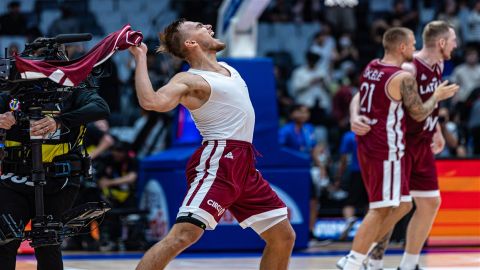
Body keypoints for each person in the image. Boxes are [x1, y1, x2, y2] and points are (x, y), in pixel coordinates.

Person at [128, 19, 296, 270]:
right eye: (198, 26)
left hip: (244, 165)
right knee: (184, 235)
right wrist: (140, 58)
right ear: (191, 42)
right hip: (219, 160)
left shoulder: (229, 69)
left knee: (283, 237)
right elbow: (151, 101)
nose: (207, 25)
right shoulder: (189, 80)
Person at [337, 27, 458, 270]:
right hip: (396, 143)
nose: (456, 45)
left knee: (419, 203)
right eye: (454, 41)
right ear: (442, 42)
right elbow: (362, 96)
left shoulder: (433, 66)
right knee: (389, 205)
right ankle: (366, 259)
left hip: (416, 142)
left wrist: (435, 130)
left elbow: (368, 89)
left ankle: (407, 263)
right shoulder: (407, 69)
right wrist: (353, 116)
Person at [0, 88, 110, 269]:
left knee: (47, 242)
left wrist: (60, 122)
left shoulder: (71, 88)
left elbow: (101, 107)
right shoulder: (13, 88)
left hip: (59, 181)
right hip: (14, 179)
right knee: (5, 241)